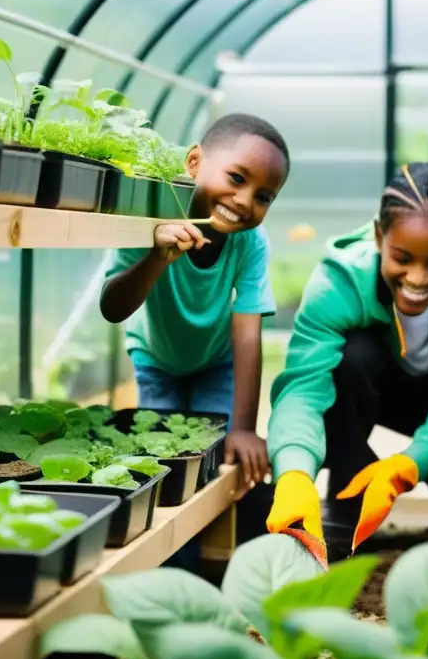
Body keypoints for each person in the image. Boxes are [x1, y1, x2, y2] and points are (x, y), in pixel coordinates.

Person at [265, 162, 428, 563]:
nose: (417, 277)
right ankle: (345, 502)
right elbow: (303, 391)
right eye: (402, 258)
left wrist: (405, 467)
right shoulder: (339, 283)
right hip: (370, 391)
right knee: (353, 356)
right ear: (379, 237)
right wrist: (293, 473)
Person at [101, 112, 289, 491]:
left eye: (263, 196)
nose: (243, 201)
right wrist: (157, 257)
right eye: (236, 178)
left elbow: (248, 332)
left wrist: (243, 429)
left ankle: (204, 546)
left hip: (215, 363)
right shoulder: (150, 217)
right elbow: (113, 307)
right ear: (194, 162)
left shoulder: (250, 242)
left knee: (214, 456)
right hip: (156, 359)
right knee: (162, 461)